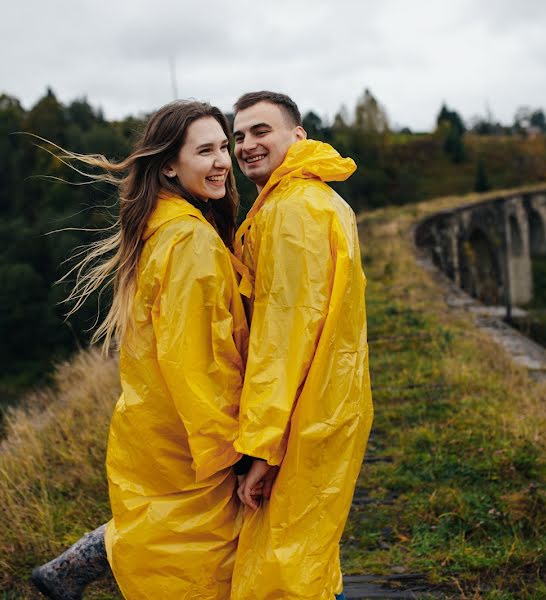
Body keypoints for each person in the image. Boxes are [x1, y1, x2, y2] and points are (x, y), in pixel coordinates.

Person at [30, 100, 250, 600]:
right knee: (196, 566)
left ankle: (70, 568)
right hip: (191, 435)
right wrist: (234, 455)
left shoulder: (162, 227)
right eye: (205, 151)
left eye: (223, 147)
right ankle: (72, 567)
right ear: (169, 164)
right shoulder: (189, 241)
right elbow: (197, 363)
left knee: (161, 532)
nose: (221, 162)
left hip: (156, 424)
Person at [230, 91, 373, 600]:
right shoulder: (310, 200)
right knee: (303, 555)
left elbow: (284, 340)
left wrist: (262, 450)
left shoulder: (294, 213)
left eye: (261, 131)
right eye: (239, 135)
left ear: (299, 136)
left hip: (302, 413)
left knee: (286, 570)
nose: (246, 144)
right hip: (321, 403)